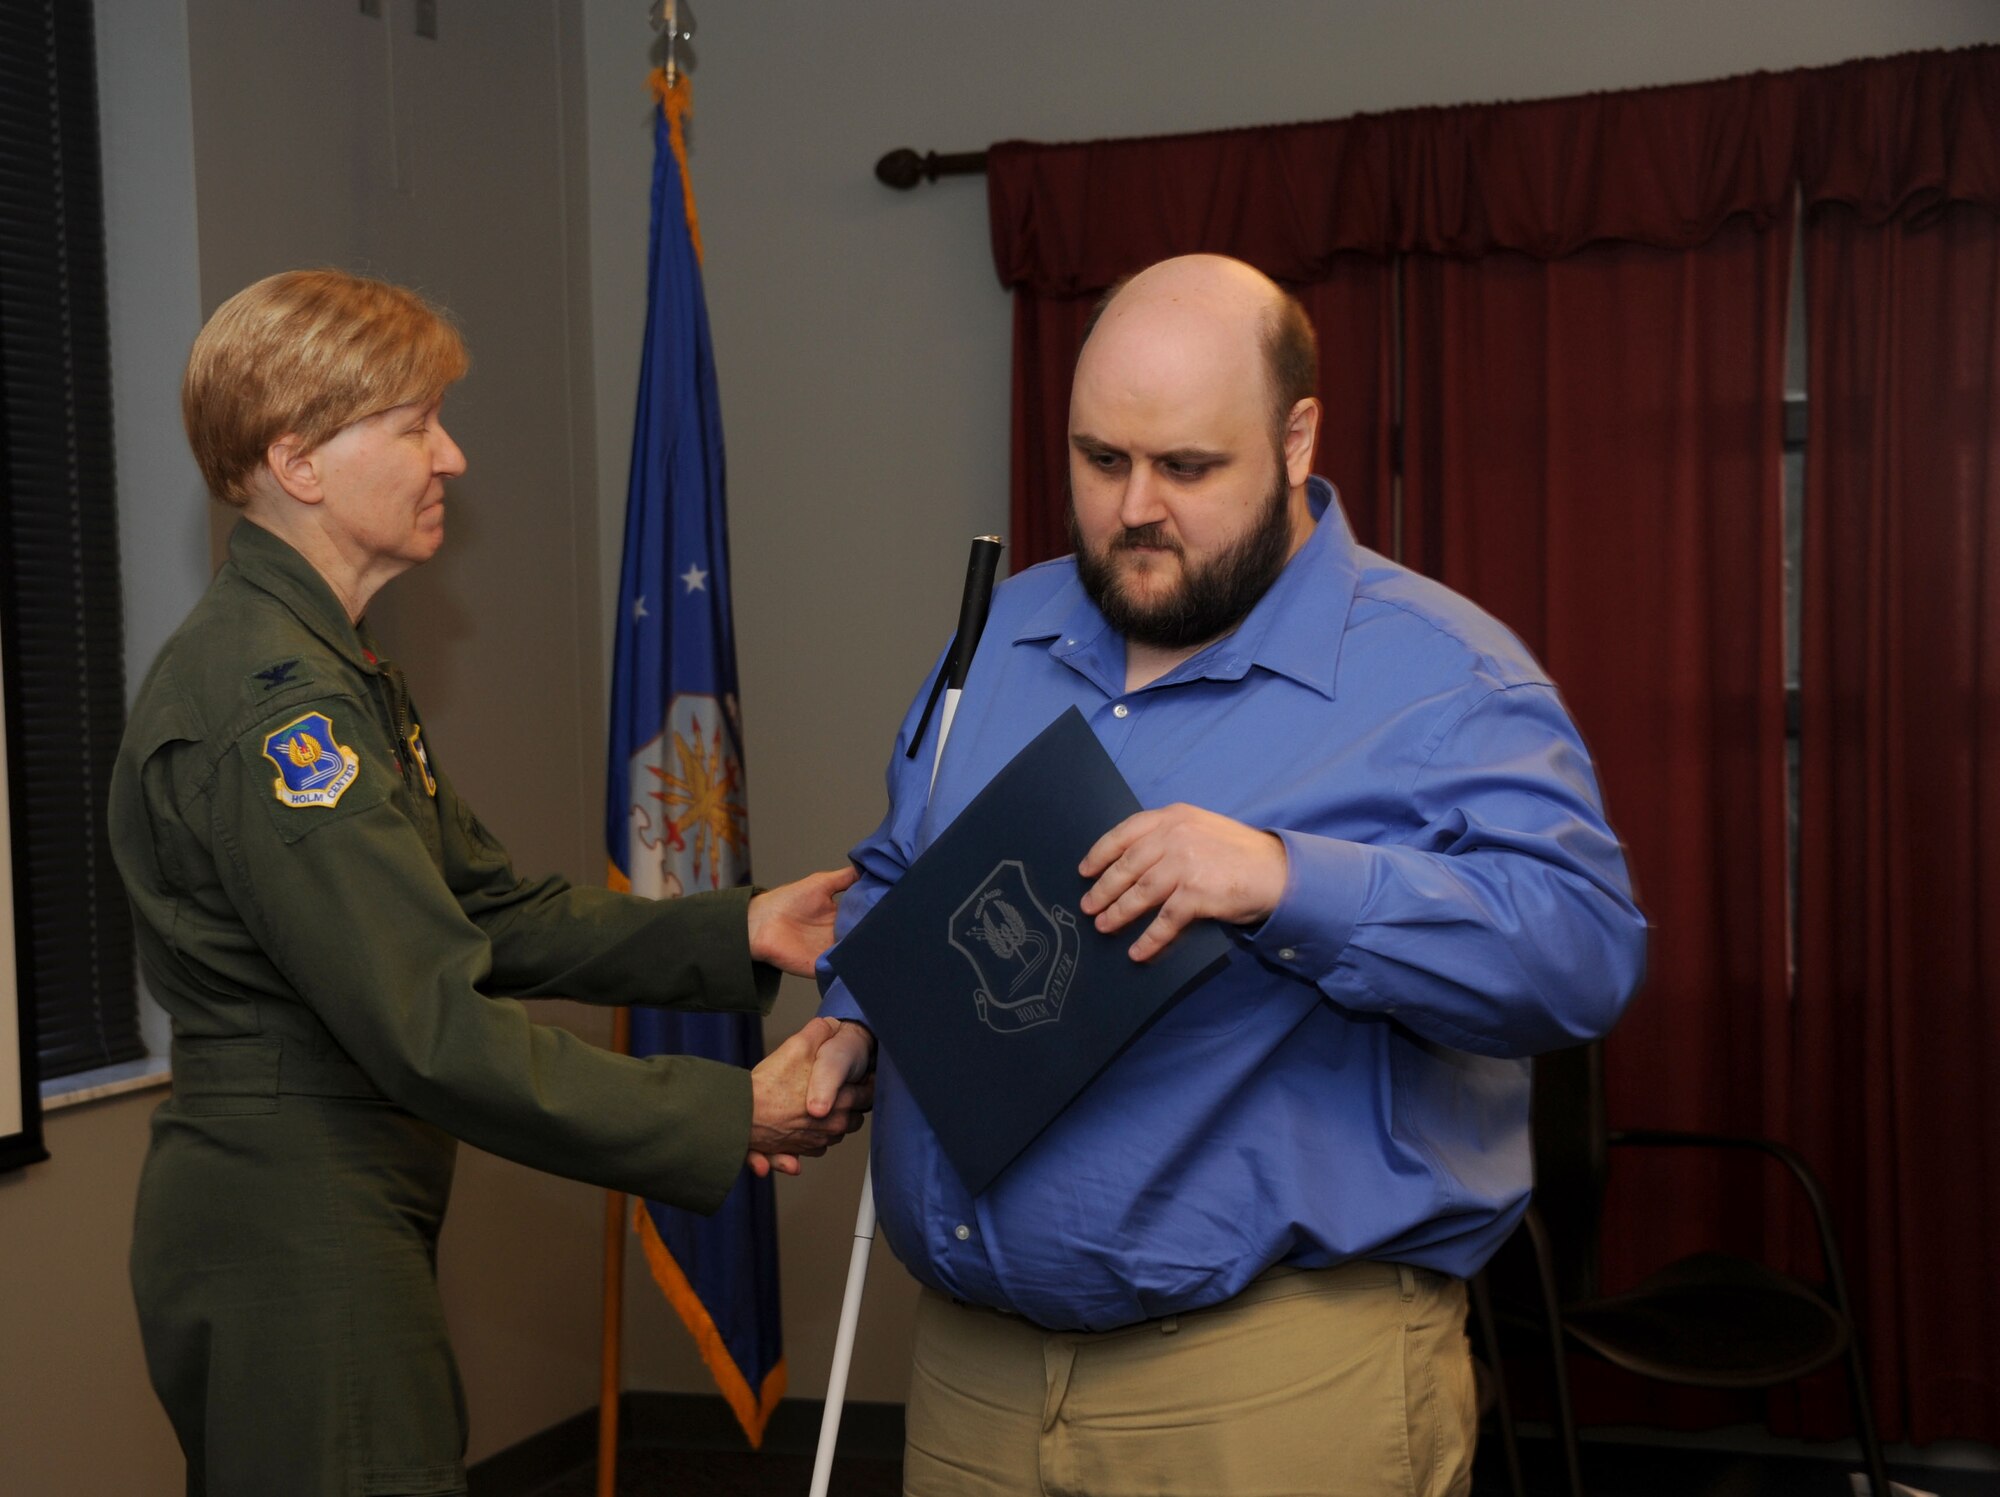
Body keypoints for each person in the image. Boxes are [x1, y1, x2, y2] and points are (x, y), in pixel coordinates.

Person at [810, 254, 1647, 1496]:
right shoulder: (997, 637)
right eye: (1099, 461)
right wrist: (850, 1019)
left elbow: (1579, 957)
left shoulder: (1444, 675)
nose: (1135, 508)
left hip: (1270, 1383)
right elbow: (897, 868)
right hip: (966, 1379)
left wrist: (1285, 881)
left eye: (1187, 467)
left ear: (1297, 435)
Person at [108, 268, 867, 1497]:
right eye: (413, 426)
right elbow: (428, 1024)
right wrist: (728, 1113)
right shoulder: (277, 707)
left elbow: (487, 911)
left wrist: (743, 929)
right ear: (299, 464)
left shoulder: (332, 666)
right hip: (293, 1227)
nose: (450, 456)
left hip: (335, 1203)